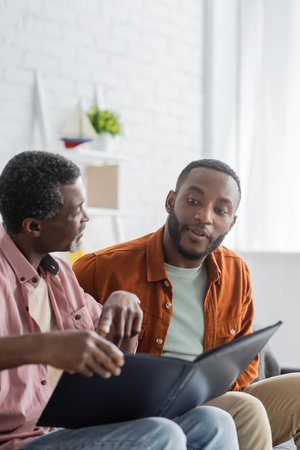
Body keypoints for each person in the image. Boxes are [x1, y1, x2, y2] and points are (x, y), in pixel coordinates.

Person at [0, 151, 239, 450]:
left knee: (213, 422)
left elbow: (112, 360)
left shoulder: (59, 275)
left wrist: (126, 316)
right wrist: (46, 346)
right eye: (76, 212)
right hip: (20, 441)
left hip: (69, 427)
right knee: (161, 434)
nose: (87, 217)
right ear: (34, 226)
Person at [74, 158, 300, 450]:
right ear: (170, 201)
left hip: (219, 400)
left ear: (231, 223)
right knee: (244, 410)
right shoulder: (100, 268)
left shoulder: (236, 271)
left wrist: (214, 394)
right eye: (193, 201)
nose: (204, 217)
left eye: (220, 210)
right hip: (145, 414)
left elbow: (245, 358)